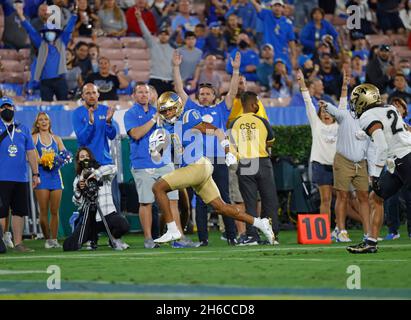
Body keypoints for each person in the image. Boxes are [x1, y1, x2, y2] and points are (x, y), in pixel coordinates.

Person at [150, 91, 276, 245]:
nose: (168, 113)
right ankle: (260, 223)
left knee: (158, 188)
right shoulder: (166, 129)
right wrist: (155, 150)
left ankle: (172, 229)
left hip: (197, 166)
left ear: (178, 107)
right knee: (221, 207)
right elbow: (161, 157)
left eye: (170, 109)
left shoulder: (188, 117)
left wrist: (227, 149)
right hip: (196, 169)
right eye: (164, 111)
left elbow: (216, 130)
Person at [172, 50, 241, 246]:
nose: (203, 96)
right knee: (202, 201)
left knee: (223, 198)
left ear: (214, 96)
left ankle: (231, 236)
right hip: (200, 162)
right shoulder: (192, 109)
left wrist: (235, 71)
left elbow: (233, 92)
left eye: (207, 93)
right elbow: (179, 90)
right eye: (201, 93)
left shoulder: (221, 109)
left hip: (218, 159)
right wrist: (176, 67)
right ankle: (203, 239)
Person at [347, 83, 411, 253]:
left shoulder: (367, 115)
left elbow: (381, 146)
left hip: (404, 159)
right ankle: (371, 242)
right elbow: (406, 130)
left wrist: (374, 175)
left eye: (356, 101)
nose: (354, 105)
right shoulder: (389, 107)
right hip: (398, 161)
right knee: (376, 197)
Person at [123, 82, 182, 249]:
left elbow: (170, 131)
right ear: (134, 96)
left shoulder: (160, 111)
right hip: (143, 164)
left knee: (173, 201)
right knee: (146, 202)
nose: (143, 95)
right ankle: (149, 239)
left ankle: (178, 237)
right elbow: (135, 134)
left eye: (146, 92)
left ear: (151, 95)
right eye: (140, 92)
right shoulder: (130, 113)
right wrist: (153, 119)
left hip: (164, 162)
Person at [324, 72, 370, 243]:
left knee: (364, 197)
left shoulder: (368, 120)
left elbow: (373, 143)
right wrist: (326, 105)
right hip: (343, 161)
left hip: (361, 163)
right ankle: (341, 230)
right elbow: (334, 110)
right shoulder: (345, 115)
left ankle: (368, 233)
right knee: (342, 196)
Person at [229, 91, 280, 245]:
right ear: (253, 105)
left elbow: (231, 145)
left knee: (249, 202)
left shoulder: (235, 123)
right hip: (262, 161)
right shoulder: (262, 121)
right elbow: (271, 140)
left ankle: (252, 236)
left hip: (246, 162)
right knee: (269, 200)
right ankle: (273, 235)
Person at [296, 70, 338, 223]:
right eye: (323, 111)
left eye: (328, 111)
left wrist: (345, 86)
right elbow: (308, 102)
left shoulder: (339, 125)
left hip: (338, 166)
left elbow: (344, 105)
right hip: (320, 165)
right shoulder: (316, 124)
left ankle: (341, 230)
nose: (326, 114)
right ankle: (325, 230)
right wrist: (302, 83)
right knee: (325, 199)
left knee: (344, 198)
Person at [0, 97, 40, 253]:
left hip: (20, 178)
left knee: (19, 211)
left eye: (9, 106)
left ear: (14, 108)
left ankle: (18, 243)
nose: (6, 109)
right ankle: (1, 243)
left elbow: (31, 152)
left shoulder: (23, 128)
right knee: (1, 212)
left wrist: (36, 174)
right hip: (1, 178)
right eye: (3, 107)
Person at [72, 83, 120, 212]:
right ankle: (91, 230)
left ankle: (114, 228)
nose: (91, 96)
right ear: (82, 96)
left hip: (104, 162)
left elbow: (112, 135)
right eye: (87, 93)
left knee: (111, 200)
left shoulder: (105, 110)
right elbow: (82, 140)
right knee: (89, 202)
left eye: (93, 92)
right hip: (86, 164)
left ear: (98, 94)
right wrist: (90, 123)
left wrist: (109, 122)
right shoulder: (77, 113)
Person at [70, 147, 130, 250]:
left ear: (91, 158)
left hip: (108, 214)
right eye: (82, 157)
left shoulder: (102, 173)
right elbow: (78, 203)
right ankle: (89, 236)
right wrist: (79, 190)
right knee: (70, 246)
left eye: (87, 156)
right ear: (78, 160)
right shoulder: (77, 179)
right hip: (90, 218)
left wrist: (94, 175)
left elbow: (114, 168)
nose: (85, 159)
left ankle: (114, 239)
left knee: (123, 225)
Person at [16, 3, 77, 101]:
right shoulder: (41, 44)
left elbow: (68, 29)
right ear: (44, 34)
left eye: (52, 32)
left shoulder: (62, 42)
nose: (50, 34)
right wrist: (21, 15)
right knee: (46, 107)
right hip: (45, 82)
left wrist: (74, 15)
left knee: (63, 104)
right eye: (47, 32)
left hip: (60, 80)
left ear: (56, 33)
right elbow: (30, 30)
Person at [32, 112, 66, 249]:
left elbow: (65, 154)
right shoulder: (34, 138)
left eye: (46, 119)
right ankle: (47, 239)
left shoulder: (56, 139)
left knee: (54, 210)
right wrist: (49, 159)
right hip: (42, 177)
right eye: (41, 120)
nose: (44, 121)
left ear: (49, 122)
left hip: (56, 177)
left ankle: (54, 239)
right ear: (37, 124)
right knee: (43, 210)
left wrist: (61, 158)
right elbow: (36, 159)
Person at [383, 97, 411, 240]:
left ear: (404, 110)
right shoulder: (385, 126)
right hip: (391, 165)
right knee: (390, 199)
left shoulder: (408, 126)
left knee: (409, 197)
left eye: (399, 106)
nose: (396, 108)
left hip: (406, 164)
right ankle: (393, 230)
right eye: (394, 106)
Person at [250, 0, 297, 72]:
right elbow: (256, 6)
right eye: (275, 6)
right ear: (271, 7)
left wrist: (293, 56)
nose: (277, 8)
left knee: (285, 74)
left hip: (282, 54)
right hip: (269, 53)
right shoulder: (267, 15)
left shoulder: (288, 23)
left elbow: (291, 41)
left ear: (283, 8)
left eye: (279, 6)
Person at [136, 8, 174, 95]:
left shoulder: (173, 50)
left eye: (166, 35)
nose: (164, 36)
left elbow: (176, 67)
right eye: (161, 34)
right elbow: (146, 33)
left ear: (169, 36)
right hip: (155, 79)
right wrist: (139, 19)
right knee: (152, 105)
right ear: (158, 36)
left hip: (170, 82)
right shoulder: (153, 45)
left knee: (171, 107)